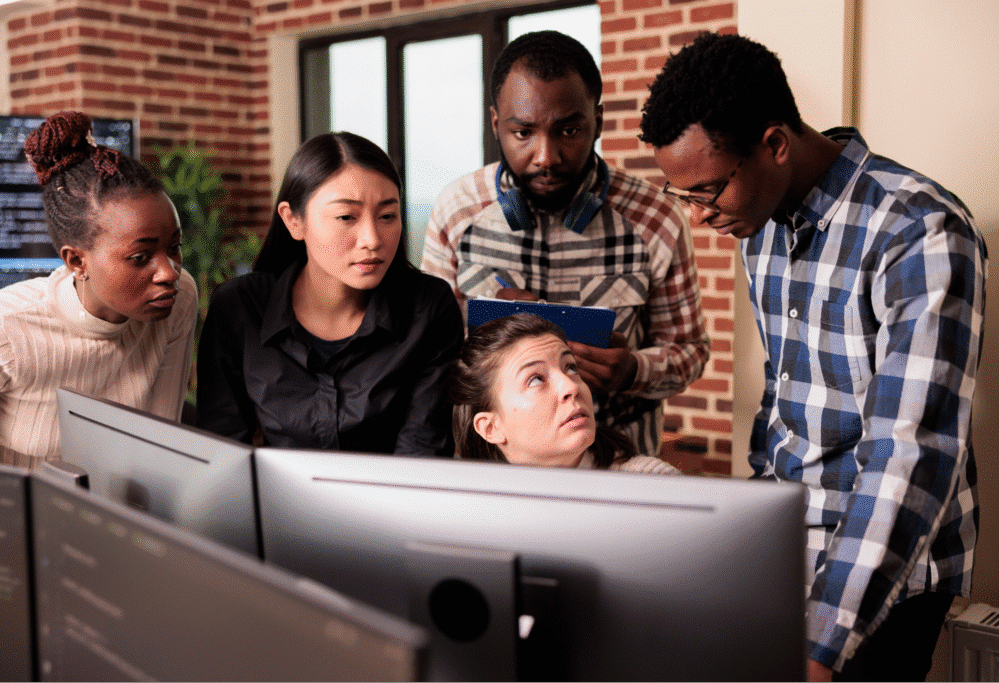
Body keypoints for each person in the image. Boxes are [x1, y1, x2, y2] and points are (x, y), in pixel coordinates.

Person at [641, 32, 986, 682]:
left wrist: (822, 640)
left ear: (774, 145)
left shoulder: (920, 231)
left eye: (707, 192)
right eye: (681, 195)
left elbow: (912, 455)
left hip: (887, 568)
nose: (697, 217)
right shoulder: (757, 227)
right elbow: (784, 393)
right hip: (788, 543)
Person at [421, 30, 709, 459]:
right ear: (496, 124)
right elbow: (430, 357)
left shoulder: (656, 220)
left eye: (569, 130)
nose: (546, 156)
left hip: (619, 470)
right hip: (495, 473)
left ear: (599, 121)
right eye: (523, 133)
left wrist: (633, 369)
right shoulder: (457, 212)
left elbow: (690, 352)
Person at [196, 132, 463, 455]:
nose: (372, 239)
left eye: (387, 216)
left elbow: (422, 453)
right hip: (273, 504)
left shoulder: (428, 309)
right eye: (346, 217)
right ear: (293, 220)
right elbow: (223, 451)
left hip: (392, 501)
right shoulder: (240, 307)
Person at [0, 111, 197, 470]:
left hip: (120, 511)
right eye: (141, 257)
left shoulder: (179, 298)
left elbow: (161, 440)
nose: (169, 272)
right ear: (77, 262)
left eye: (174, 246)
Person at [450, 313, 679, 474]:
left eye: (571, 368)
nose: (571, 387)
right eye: (536, 379)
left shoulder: (652, 484)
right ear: (491, 428)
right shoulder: (463, 510)